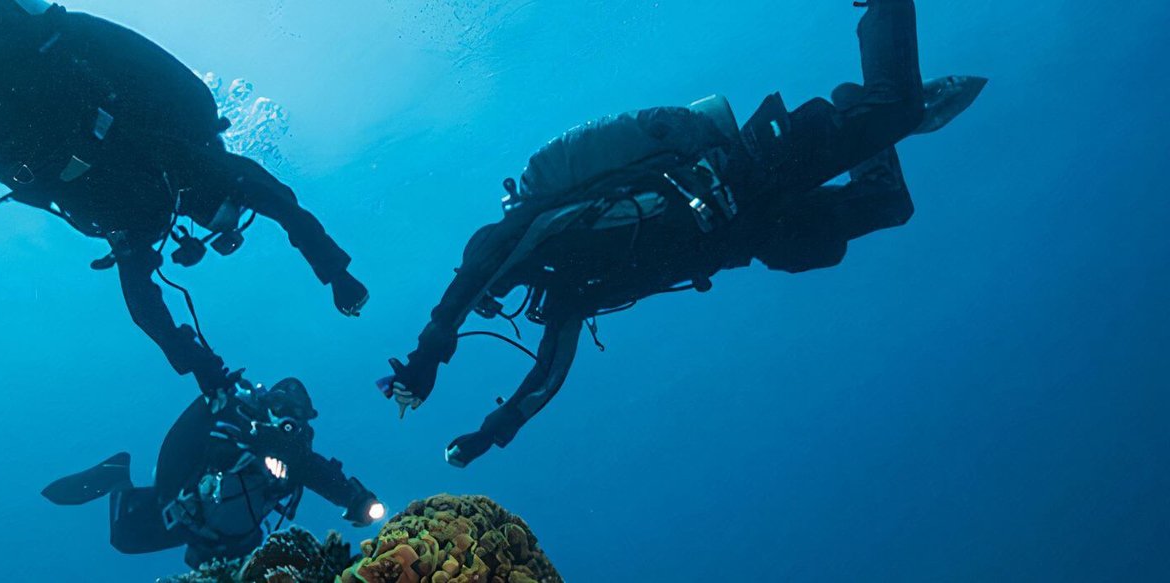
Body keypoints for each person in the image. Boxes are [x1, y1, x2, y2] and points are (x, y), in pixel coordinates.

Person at [381, 0, 987, 467]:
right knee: (885, 205)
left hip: (745, 168)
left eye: (492, 291)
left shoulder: (535, 227)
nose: (497, 298)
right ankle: (874, 124)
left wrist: (428, 355)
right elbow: (548, 374)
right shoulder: (567, 290)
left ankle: (883, 97)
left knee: (894, 110)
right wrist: (494, 433)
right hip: (748, 233)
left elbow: (480, 265)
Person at [0, 0, 369, 401]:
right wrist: (334, 270)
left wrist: (199, 364)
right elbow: (276, 199)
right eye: (231, 224)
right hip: (32, 69)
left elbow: (142, 300)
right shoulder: (183, 157)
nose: (218, 227)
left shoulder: (147, 220)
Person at [42, 378, 385, 567]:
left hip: (223, 532)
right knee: (124, 538)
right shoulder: (239, 425)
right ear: (271, 406)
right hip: (191, 505)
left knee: (227, 557)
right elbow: (204, 445)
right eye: (283, 410)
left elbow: (322, 474)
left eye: (297, 417)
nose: (289, 423)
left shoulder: (299, 460)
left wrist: (358, 500)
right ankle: (117, 476)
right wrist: (247, 456)